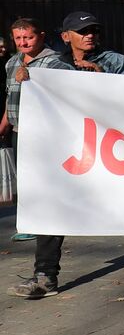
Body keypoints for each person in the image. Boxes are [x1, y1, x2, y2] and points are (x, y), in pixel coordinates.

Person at [10, 12, 124, 300]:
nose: (89, 35)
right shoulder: (54, 63)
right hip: (68, 147)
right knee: (52, 204)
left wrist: (102, 80)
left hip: (111, 146)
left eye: (93, 31)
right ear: (66, 36)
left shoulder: (116, 61)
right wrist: (30, 80)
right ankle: (45, 275)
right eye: (82, 31)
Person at [2, 18, 75, 246]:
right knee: (24, 180)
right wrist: (4, 124)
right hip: (18, 129)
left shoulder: (55, 63)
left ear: (41, 36)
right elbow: (9, 97)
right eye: (19, 38)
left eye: (29, 37)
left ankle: (46, 222)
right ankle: (29, 222)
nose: (23, 42)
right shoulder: (12, 62)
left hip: (43, 133)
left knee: (42, 180)